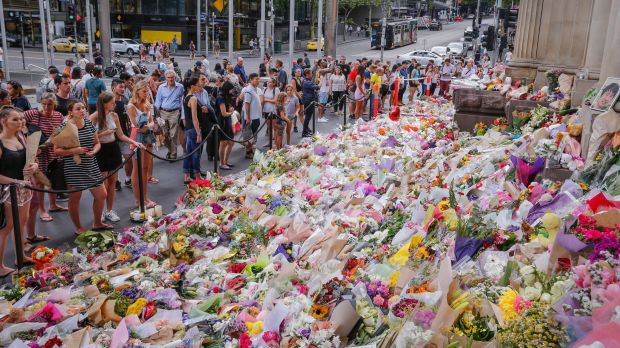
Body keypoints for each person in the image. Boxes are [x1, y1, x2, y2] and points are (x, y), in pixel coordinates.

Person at [54, 100, 111, 234]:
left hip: (90, 164)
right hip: (73, 167)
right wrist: (74, 151)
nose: (82, 111)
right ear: (71, 112)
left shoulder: (89, 123)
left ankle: (97, 223)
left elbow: (97, 143)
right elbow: (56, 150)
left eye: (83, 108)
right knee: (75, 198)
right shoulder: (64, 126)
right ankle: (78, 227)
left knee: (102, 194)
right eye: (78, 109)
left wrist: (94, 151)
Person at [90, 92, 142, 222]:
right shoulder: (94, 117)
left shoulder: (114, 115)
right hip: (100, 150)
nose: (114, 104)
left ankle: (109, 210)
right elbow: (89, 139)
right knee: (103, 184)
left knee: (112, 182)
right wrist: (103, 134)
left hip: (113, 148)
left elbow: (120, 135)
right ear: (104, 103)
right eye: (112, 102)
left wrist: (134, 142)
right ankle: (100, 211)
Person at [0, 107, 39, 276]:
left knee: (22, 221)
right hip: (8, 190)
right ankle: (0, 266)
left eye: (21, 118)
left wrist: (34, 167)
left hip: (24, 187)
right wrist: (16, 182)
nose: (20, 122)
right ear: (3, 121)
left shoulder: (21, 137)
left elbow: (33, 160)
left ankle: (20, 256)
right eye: (15, 119)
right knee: (7, 227)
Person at [23, 93, 65, 225]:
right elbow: (17, 121)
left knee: (51, 180)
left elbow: (61, 132)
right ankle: (42, 209)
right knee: (40, 183)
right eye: (44, 104)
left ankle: (53, 205)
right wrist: (27, 140)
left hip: (52, 152)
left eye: (50, 104)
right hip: (38, 155)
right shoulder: (33, 114)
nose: (46, 107)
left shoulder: (58, 116)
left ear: (55, 104)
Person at [127, 80, 157, 208]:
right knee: (137, 169)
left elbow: (151, 123)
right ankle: (138, 200)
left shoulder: (148, 103)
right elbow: (136, 126)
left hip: (148, 137)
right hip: (137, 138)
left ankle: (145, 197)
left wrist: (148, 126)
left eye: (148, 91)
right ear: (137, 91)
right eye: (144, 91)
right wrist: (147, 126)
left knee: (145, 169)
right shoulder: (131, 106)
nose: (146, 93)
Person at [155, 70, 184, 160]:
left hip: (174, 112)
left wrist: (182, 114)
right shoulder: (161, 87)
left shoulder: (180, 87)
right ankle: (170, 150)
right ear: (166, 78)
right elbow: (158, 101)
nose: (170, 79)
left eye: (172, 77)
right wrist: (156, 115)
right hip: (163, 112)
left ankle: (173, 154)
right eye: (168, 77)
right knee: (165, 135)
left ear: (175, 78)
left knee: (173, 134)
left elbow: (182, 101)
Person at [181, 75, 205, 182]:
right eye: (198, 86)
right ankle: (197, 175)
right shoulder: (193, 98)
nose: (200, 87)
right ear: (192, 86)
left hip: (188, 128)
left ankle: (186, 175)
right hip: (194, 129)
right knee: (196, 153)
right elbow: (194, 117)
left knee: (189, 153)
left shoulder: (186, 97)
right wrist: (198, 133)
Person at [111, 78, 133, 189]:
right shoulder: (108, 101)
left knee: (129, 158)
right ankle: (116, 180)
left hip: (124, 134)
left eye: (124, 87)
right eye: (120, 87)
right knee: (115, 161)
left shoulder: (125, 100)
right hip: (111, 137)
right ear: (113, 88)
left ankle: (128, 179)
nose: (123, 89)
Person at [194, 73, 217, 161]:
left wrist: (208, 110)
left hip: (205, 118)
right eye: (203, 79)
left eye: (205, 79)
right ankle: (195, 166)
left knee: (209, 136)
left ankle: (210, 154)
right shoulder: (193, 93)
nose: (205, 81)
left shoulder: (205, 92)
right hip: (196, 119)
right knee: (198, 143)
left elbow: (208, 105)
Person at [216, 81, 236, 170]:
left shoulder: (226, 96)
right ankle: (222, 163)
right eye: (231, 89)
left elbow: (228, 109)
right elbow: (223, 113)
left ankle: (226, 161)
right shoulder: (221, 97)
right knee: (223, 142)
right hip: (222, 121)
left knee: (231, 142)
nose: (232, 91)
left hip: (227, 120)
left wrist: (231, 110)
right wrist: (231, 112)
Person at [243, 73, 262, 158]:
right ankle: (248, 152)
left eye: (258, 79)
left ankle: (250, 150)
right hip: (251, 117)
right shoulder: (248, 90)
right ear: (250, 80)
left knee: (253, 134)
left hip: (256, 116)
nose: (258, 81)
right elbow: (247, 104)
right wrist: (248, 117)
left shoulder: (255, 89)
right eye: (256, 79)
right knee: (249, 135)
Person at [301, 68, 319, 137]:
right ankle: (304, 132)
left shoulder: (306, 81)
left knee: (308, 116)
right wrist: (322, 80)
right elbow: (317, 87)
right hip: (309, 101)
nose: (312, 74)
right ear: (307, 74)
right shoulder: (307, 82)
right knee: (308, 117)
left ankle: (306, 130)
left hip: (308, 100)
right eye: (311, 73)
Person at [262, 78, 280, 143]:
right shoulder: (264, 89)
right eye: (268, 82)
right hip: (266, 110)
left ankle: (275, 143)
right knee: (269, 128)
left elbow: (275, 101)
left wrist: (266, 99)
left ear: (274, 83)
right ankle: (269, 143)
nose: (268, 83)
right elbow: (262, 99)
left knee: (274, 128)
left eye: (270, 82)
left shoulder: (276, 89)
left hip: (273, 111)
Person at [291, 68, 304, 133]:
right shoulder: (293, 80)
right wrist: (299, 96)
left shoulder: (300, 79)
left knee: (301, 113)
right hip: (296, 98)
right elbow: (294, 90)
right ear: (295, 73)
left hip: (300, 97)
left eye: (300, 71)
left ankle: (304, 127)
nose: (299, 73)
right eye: (298, 72)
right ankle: (295, 126)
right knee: (296, 112)